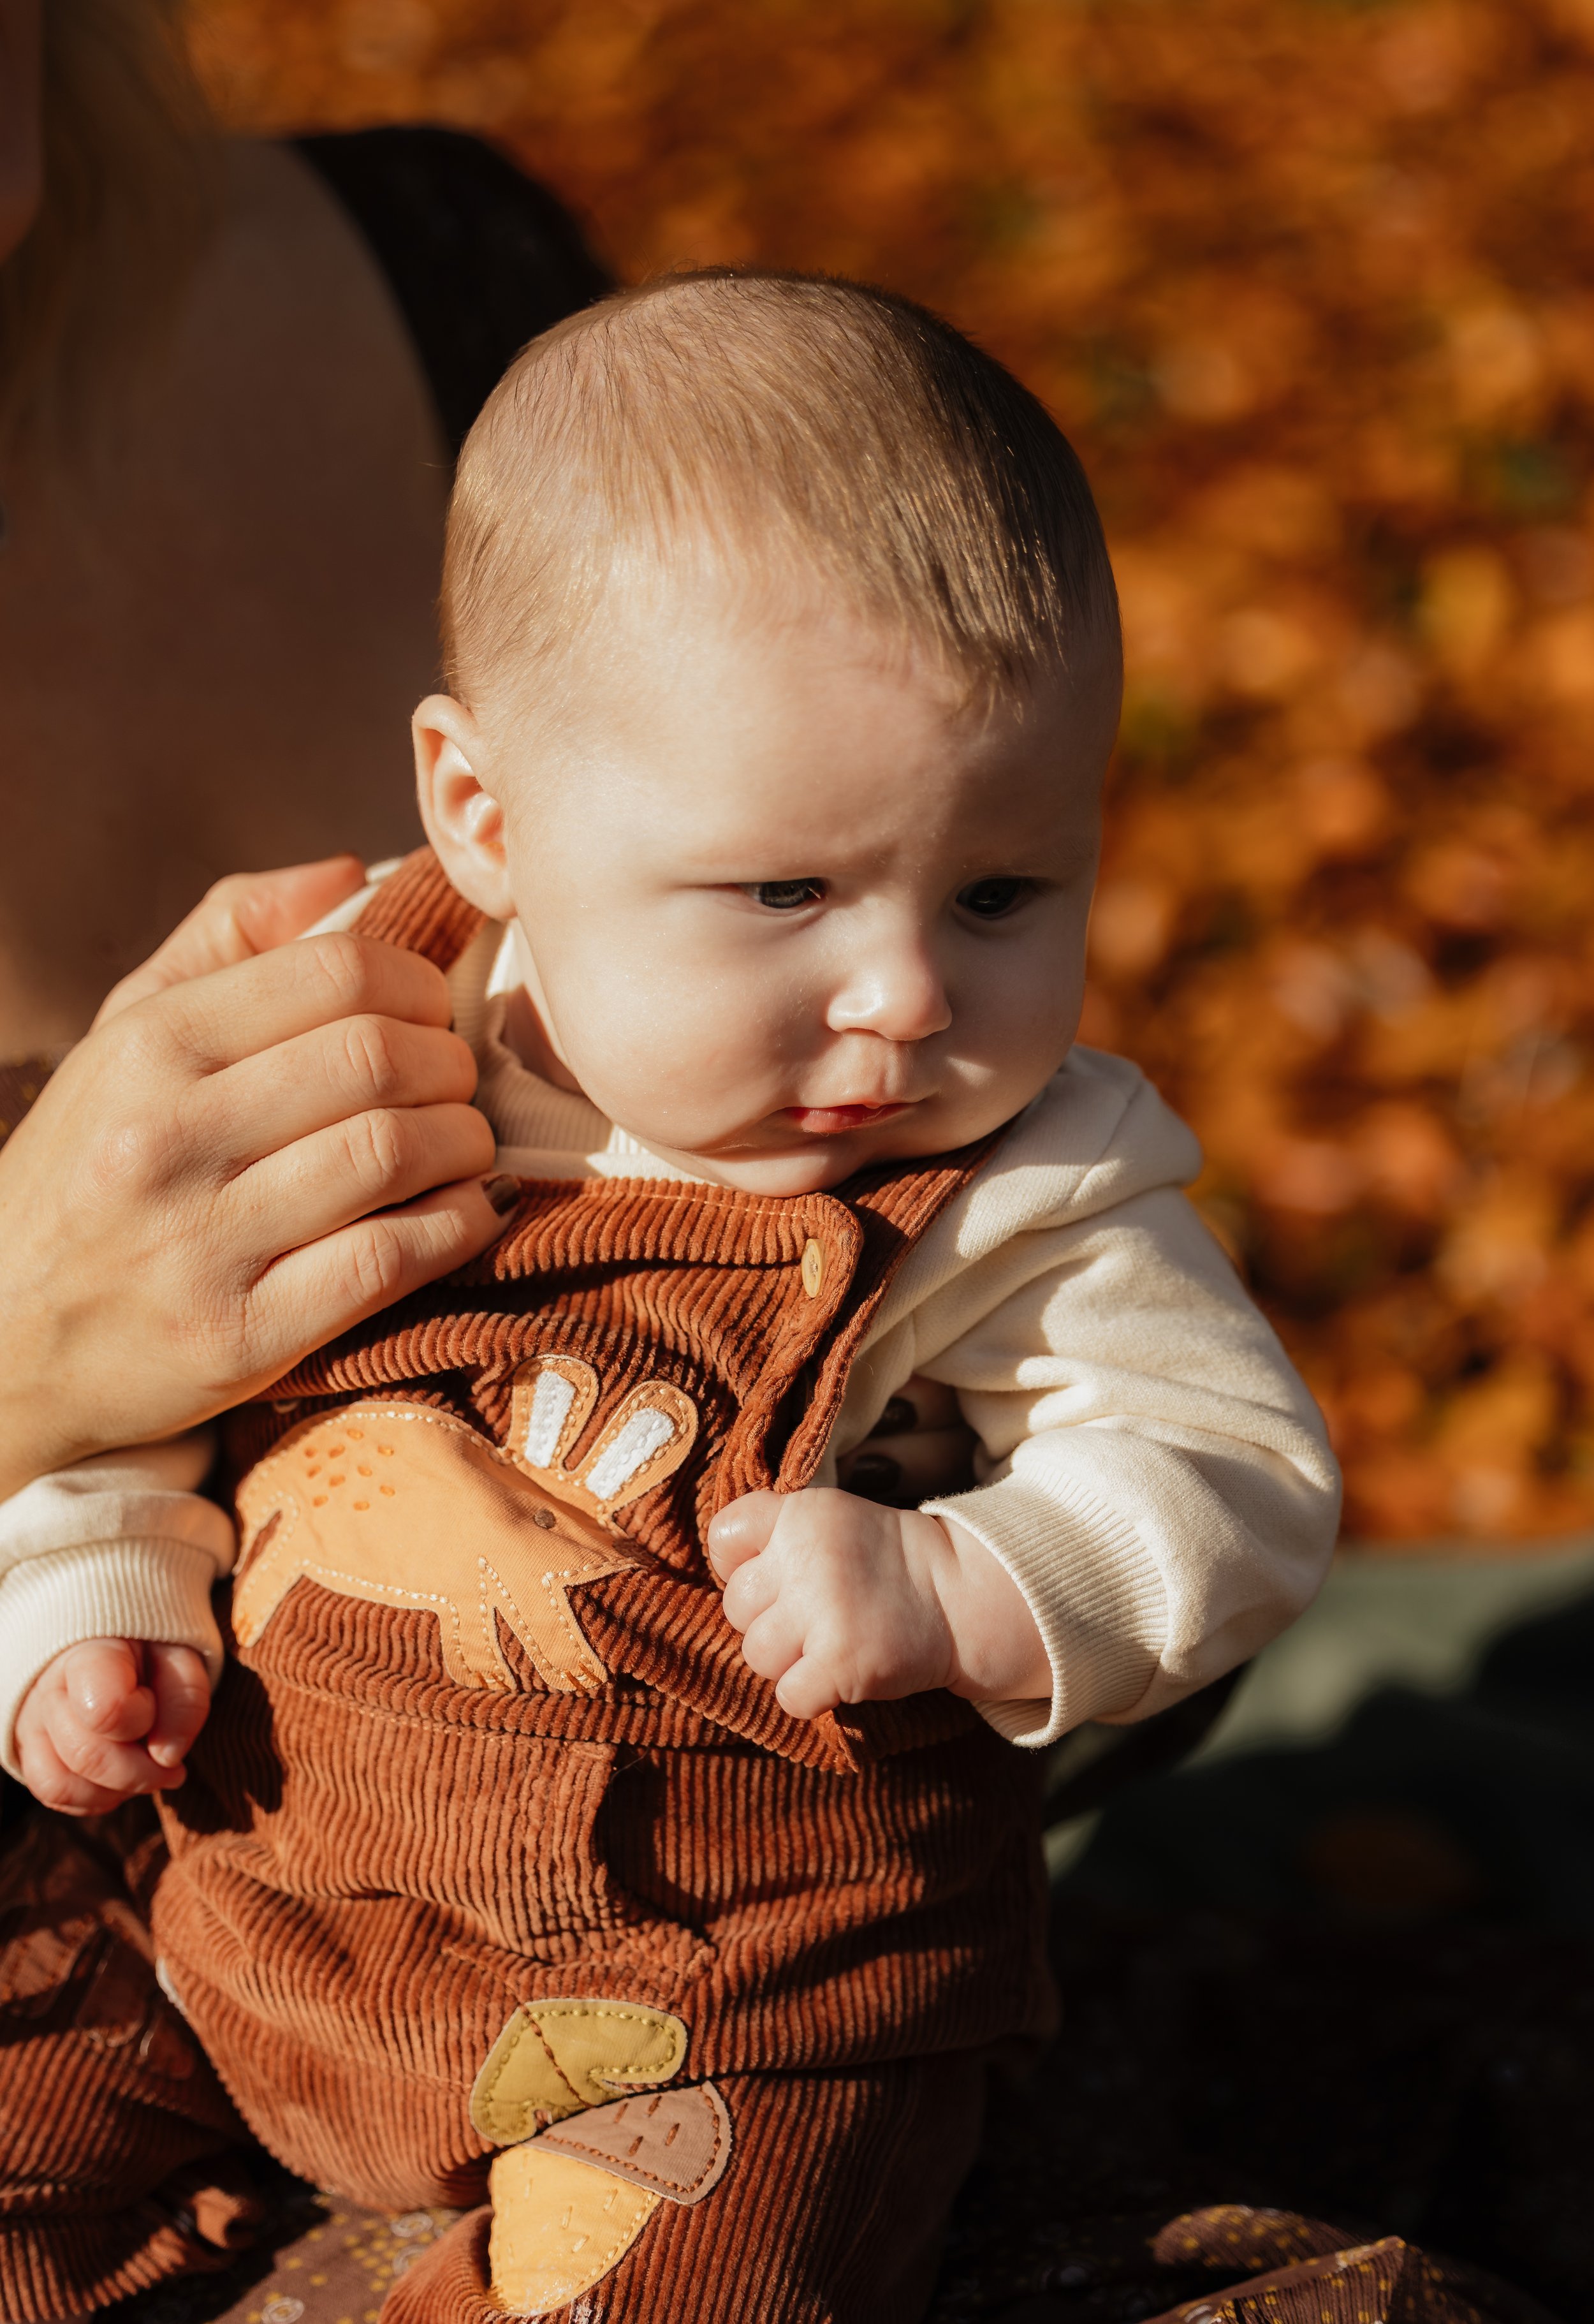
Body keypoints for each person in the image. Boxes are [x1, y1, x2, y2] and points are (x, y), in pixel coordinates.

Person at [0, 274, 1341, 2323]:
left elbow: (1226, 1467)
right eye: (784, 893)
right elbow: (121, 1358)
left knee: (692, 2282)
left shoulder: (1019, 1188)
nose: (902, 995)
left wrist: (968, 1582)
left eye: (999, 891)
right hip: (257, 1906)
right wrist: (84, 1601)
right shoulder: (351, 1040)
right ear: (485, 813)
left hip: (744, 1997)